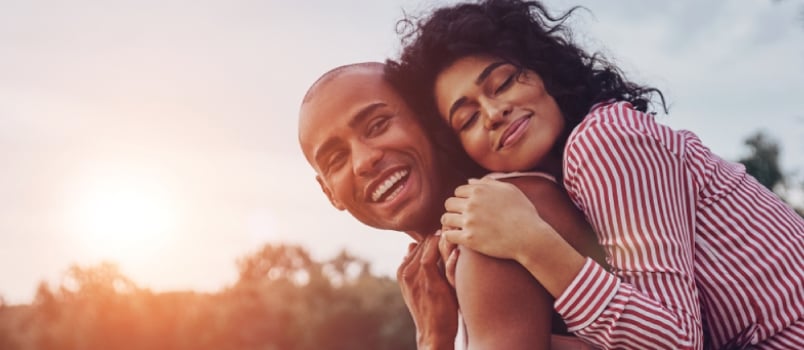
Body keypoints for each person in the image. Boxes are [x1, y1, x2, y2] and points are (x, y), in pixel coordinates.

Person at [385, 0, 804, 349]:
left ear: (542, 72)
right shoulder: (563, 184)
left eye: (504, 82)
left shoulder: (603, 140)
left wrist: (530, 242)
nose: (495, 113)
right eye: (468, 118)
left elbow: (677, 341)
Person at [297, 62, 605, 349]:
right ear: (329, 193)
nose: (365, 161)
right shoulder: (452, 254)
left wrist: (432, 341)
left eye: (378, 125)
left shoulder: (490, 229)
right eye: (337, 159)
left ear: (429, 120)